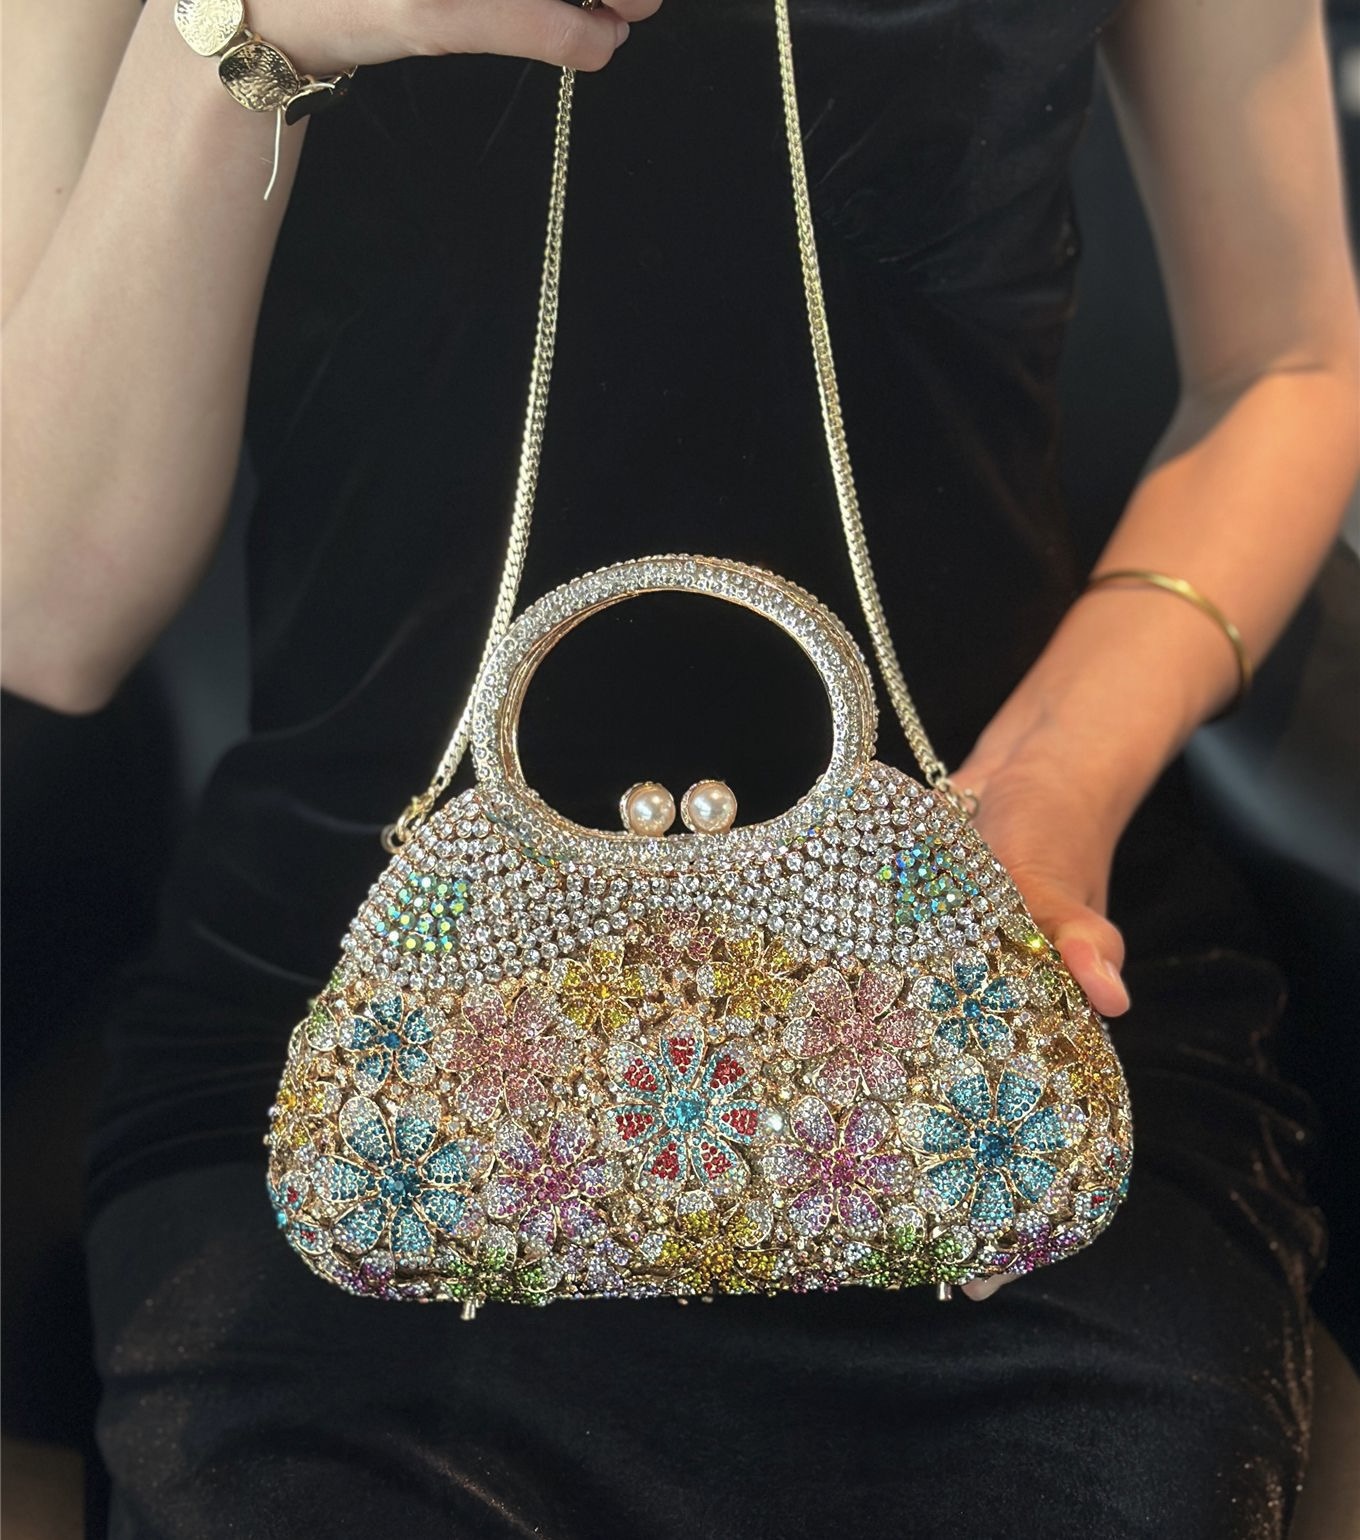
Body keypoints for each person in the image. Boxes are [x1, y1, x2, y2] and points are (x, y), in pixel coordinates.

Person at [3, 0, 1357, 1533]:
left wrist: (1066, 767)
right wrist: (256, 32)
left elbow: (1287, 362)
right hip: (383, 1016)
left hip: (978, 958)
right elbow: (45, 615)